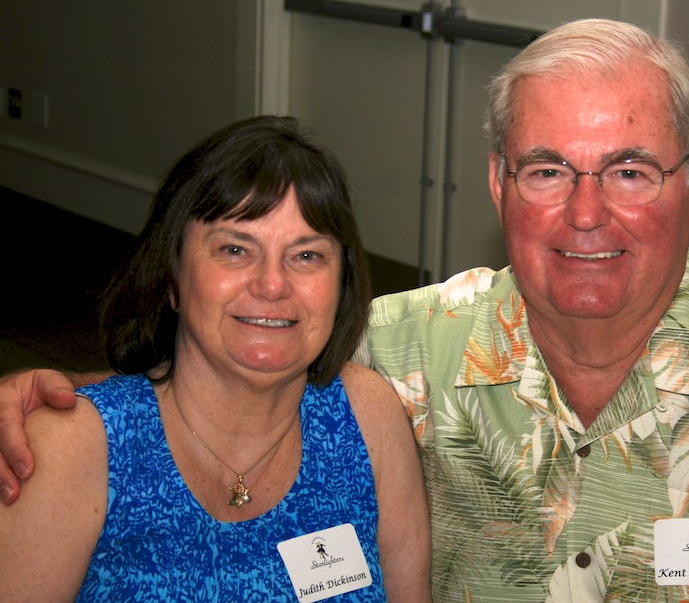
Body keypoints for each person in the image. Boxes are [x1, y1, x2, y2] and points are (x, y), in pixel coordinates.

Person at [1, 19, 689, 602]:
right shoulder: (406, 351)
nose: (587, 214)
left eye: (630, 169)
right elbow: (244, 349)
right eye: (547, 169)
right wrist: (56, 404)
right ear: (502, 186)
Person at [0, 116, 431, 601]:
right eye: (234, 249)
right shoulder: (72, 447)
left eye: (307, 256)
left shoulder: (366, 415)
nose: (273, 285)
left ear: (342, 285)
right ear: (171, 277)